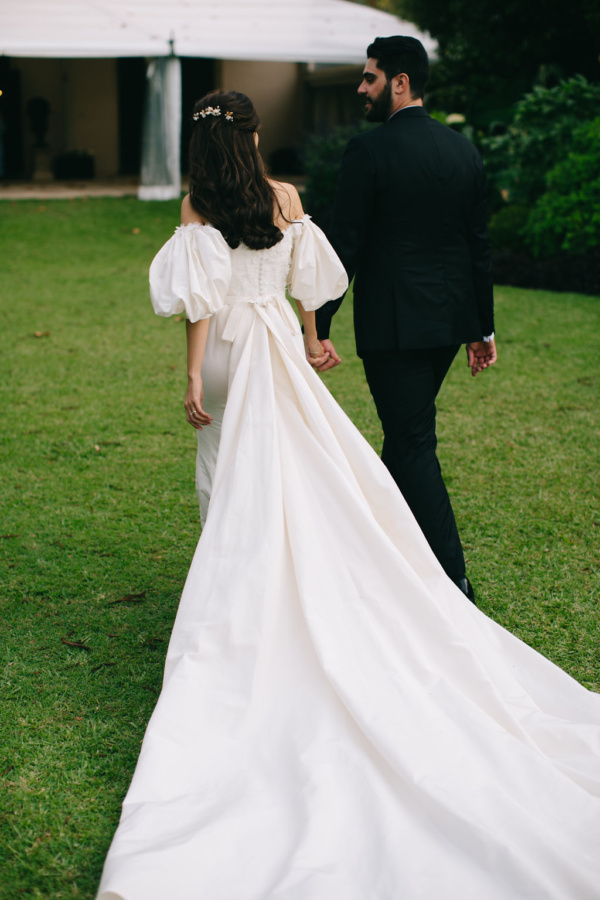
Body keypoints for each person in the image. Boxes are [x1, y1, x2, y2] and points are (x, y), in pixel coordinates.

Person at [97, 91, 600, 900]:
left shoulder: (201, 202)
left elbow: (199, 301)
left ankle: (242, 598)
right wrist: (307, 336)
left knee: (226, 469)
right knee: (295, 465)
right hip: (275, 345)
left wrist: (192, 372)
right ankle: (286, 583)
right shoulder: (285, 198)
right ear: (254, 136)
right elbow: (307, 280)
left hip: (229, 349)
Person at [314, 36, 497, 603]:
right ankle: (395, 565)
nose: (361, 88)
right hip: (445, 324)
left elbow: (345, 244)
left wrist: (316, 324)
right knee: (404, 439)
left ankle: (454, 583)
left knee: (412, 442)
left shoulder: (367, 152)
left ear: (399, 82)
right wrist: (481, 327)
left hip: (395, 329)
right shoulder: (462, 150)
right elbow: (478, 246)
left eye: (370, 78)